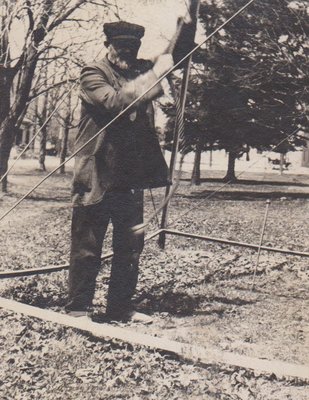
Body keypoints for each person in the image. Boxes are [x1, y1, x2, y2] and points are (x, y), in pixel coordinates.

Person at [65, 21, 174, 323]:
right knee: (87, 245)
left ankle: (120, 307)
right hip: (96, 175)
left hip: (128, 176)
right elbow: (114, 102)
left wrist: (184, 25)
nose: (127, 52)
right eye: (121, 46)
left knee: (129, 247)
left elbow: (177, 53)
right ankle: (78, 309)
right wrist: (155, 74)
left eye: (133, 47)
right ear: (108, 45)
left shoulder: (137, 71)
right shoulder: (93, 74)